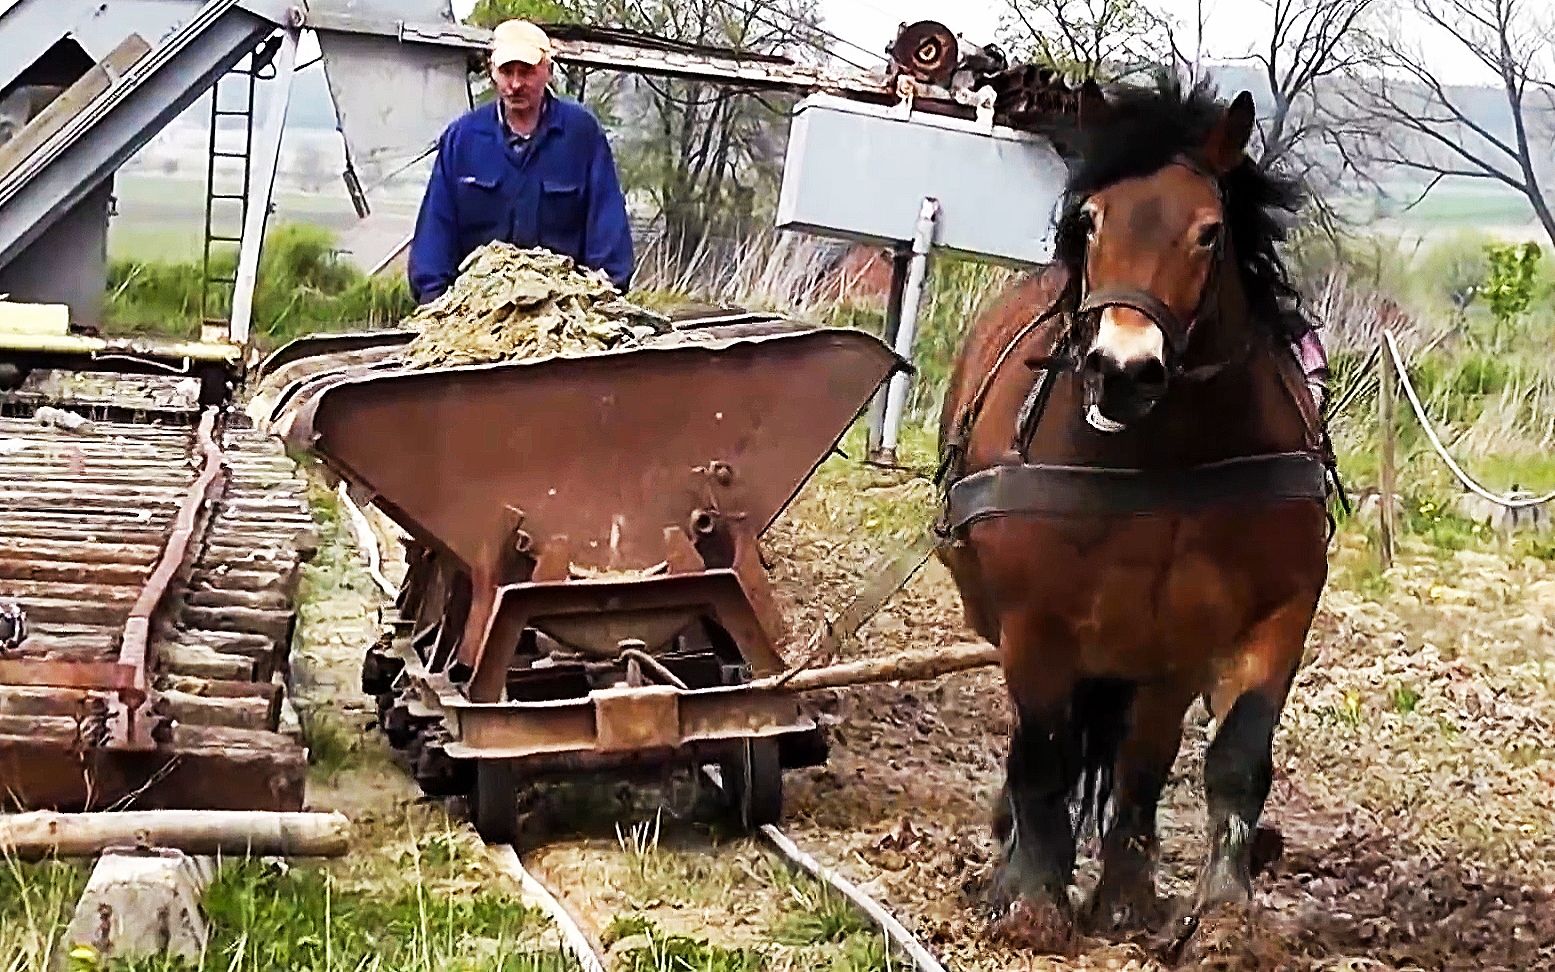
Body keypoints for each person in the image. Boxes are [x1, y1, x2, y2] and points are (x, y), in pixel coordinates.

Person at [407, 19, 634, 303]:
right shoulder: (462, 139)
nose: (515, 84)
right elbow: (435, 234)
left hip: (564, 310)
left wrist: (599, 296)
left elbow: (608, 230)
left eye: (526, 72)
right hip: (477, 310)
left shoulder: (582, 135)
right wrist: (435, 301)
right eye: (507, 71)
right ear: (492, 71)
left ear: (547, 71)